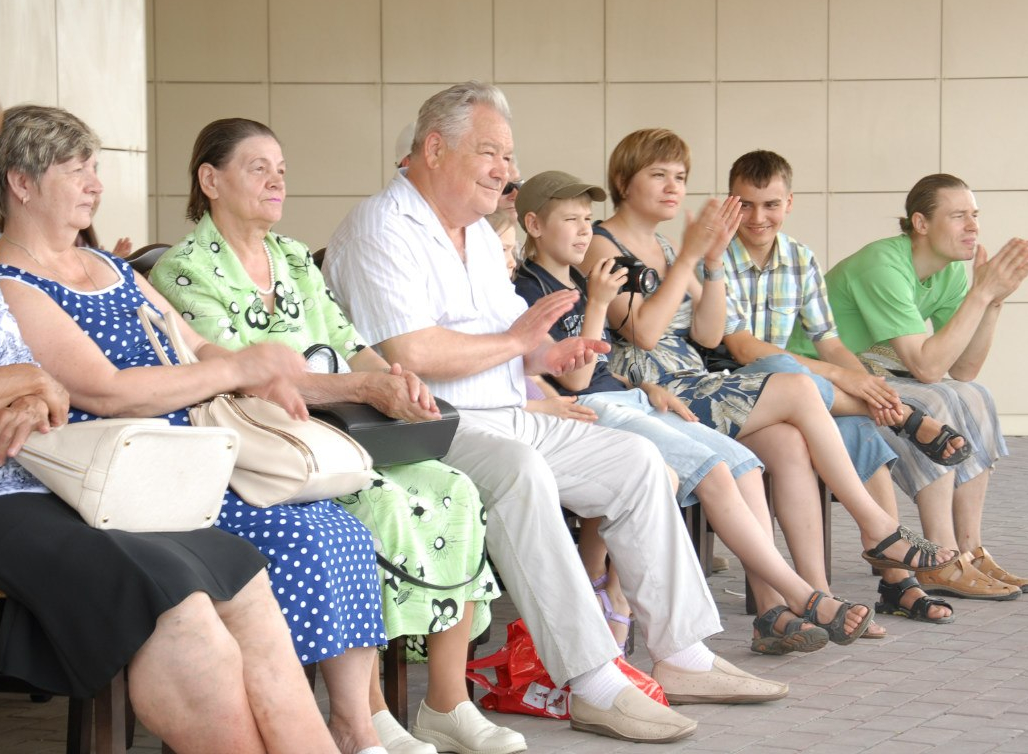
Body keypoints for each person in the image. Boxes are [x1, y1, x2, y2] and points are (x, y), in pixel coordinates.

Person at [0, 50, 337, 754]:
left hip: (15, 477)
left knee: (235, 572)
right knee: (172, 602)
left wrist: (28, 389)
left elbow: (18, 376)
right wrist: (27, 383)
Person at [325, 81, 794, 747]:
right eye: (491, 153)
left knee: (636, 460)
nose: (507, 171)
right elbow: (410, 353)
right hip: (429, 424)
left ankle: (682, 654)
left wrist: (546, 353)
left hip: (505, 411)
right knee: (520, 471)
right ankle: (594, 682)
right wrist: (517, 343)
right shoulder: (380, 226)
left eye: (508, 156)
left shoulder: (478, 234)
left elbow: (504, 339)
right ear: (434, 149)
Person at [0, 104, 379, 754]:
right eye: (77, 170)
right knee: (299, 537)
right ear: (22, 184)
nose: (95, 185)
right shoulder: (10, 279)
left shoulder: (108, 267)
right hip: (123, 477)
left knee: (339, 526)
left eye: (94, 168)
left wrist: (255, 374)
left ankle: (354, 730)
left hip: (189, 462)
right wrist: (238, 369)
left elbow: (193, 345)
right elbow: (104, 391)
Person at [148, 117, 522, 754]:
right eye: (258, 169)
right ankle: (368, 714)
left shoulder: (294, 257)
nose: (277, 182)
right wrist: (363, 388)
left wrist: (395, 381)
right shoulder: (184, 270)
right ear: (210, 180)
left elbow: (351, 345)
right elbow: (243, 378)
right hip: (263, 452)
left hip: (340, 437)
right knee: (379, 504)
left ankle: (446, 702)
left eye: (281, 170)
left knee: (455, 489)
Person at [513, 168, 885, 653]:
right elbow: (578, 381)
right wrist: (601, 304)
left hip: (630, 396)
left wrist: (643, 383)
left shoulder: (581, 282)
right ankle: (804, 596)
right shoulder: (529, 289)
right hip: (588, 411)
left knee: (743, 464)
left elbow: (610, 365)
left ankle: (771, 612)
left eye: (587, 219)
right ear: (534, 225)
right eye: (571, 220)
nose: (585, 230)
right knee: (714, 470)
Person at [582, 128, 958, 587]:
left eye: (679, 177)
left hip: (693, 380)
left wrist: (711, 262)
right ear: (624, 181)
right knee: (795, 384)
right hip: (651, 392)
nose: (673, 187)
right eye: (659, 175)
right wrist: (688, 259)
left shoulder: (664, 246)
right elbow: (643, 335)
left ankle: (809, 597)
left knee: (790, 442)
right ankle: (880, 520)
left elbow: (708, 331)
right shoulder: (602, 243)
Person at [718, 150, 985, 615]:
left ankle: (897, 582)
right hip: (732, 386)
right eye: (747, 205)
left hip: (797, 388)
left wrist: (868, 387)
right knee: (786, 371)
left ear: (789, 203)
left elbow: (829, 342)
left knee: (859, 424)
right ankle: (907, 419)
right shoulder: (715, 258)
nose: (759, 218)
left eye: (771, 205)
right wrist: (847, 378)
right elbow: (742, 349)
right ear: (730, 202)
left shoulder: (799, 258)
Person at [786, 172, 1028, 600]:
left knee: (976, 396)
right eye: (958, 216)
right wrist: (979, 295)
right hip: (823, 379)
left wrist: (991, 302)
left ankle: (970, 550)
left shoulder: (950, 272)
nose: (972, 226)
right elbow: (926, 367)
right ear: (920, 223)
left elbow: (965, 369)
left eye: (974, 215)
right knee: (935, 401)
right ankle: (941, 556)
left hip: (875, 375)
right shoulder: (883, 265)